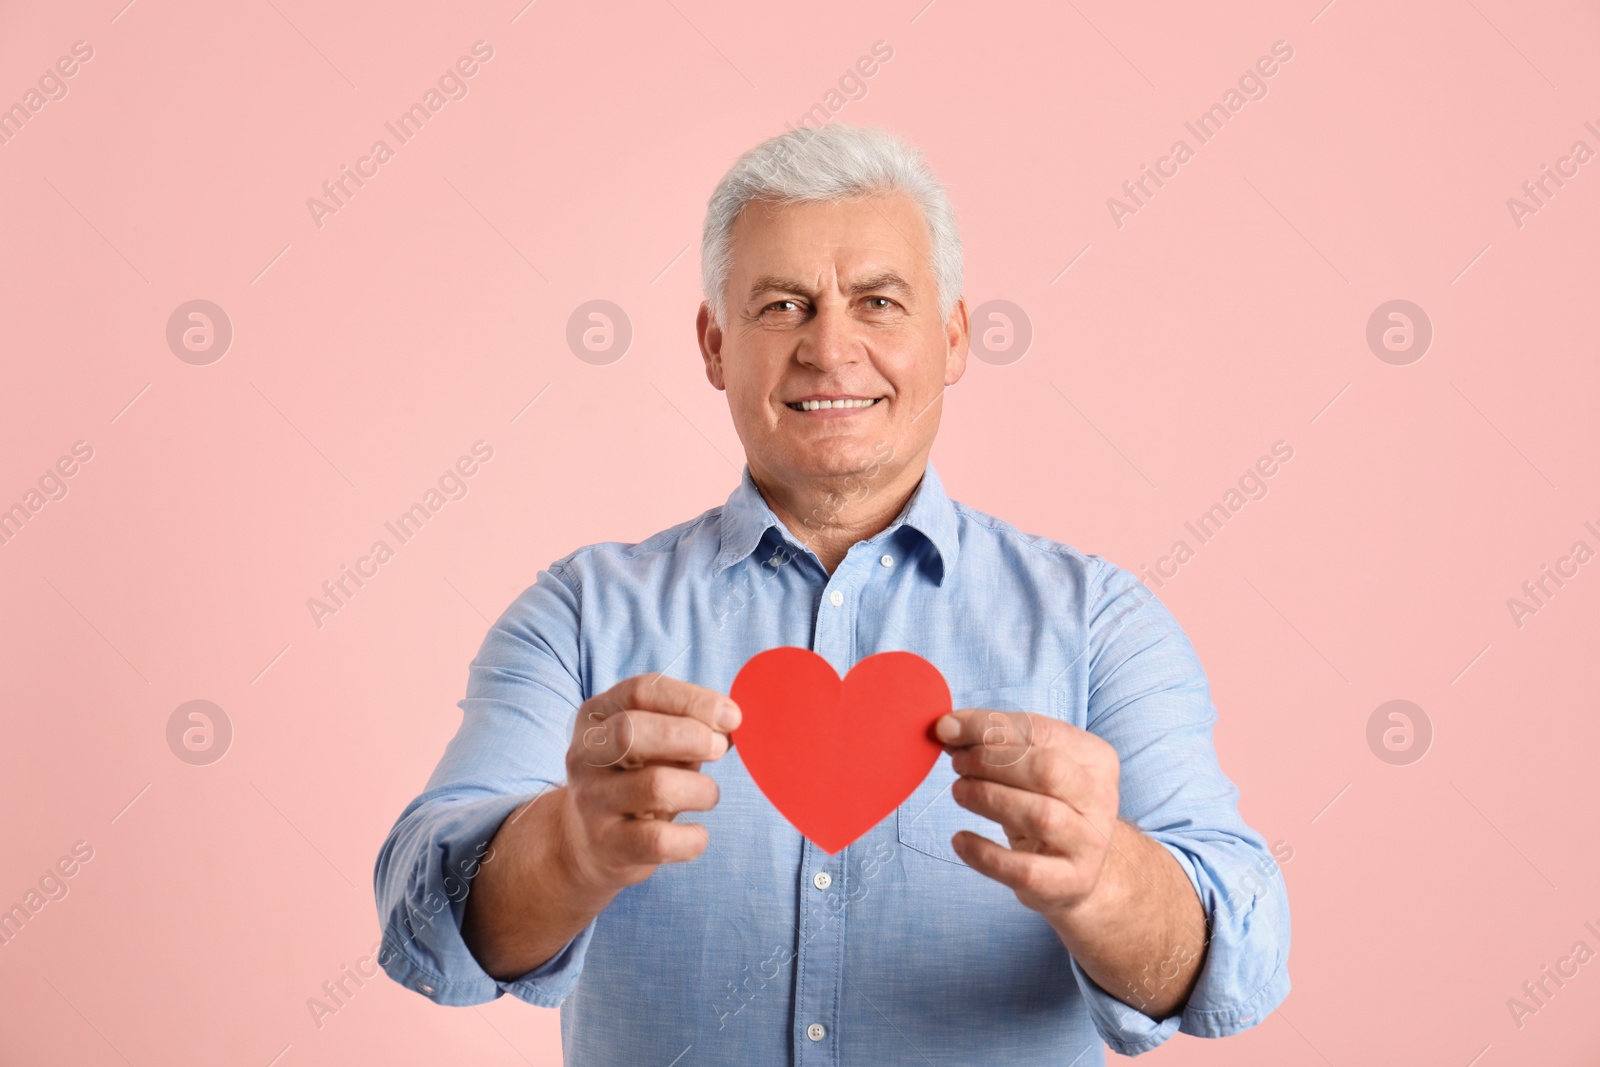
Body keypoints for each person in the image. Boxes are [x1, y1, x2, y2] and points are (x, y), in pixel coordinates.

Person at [374, 123, 1290, 1063]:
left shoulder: (1100, 624)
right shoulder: (578, 615)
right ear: (714, 344)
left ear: (954, 337)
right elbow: (426, 924)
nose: (830, 347)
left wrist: (1109, 882)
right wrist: (567, 847)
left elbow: (1242, 961)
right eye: (782, 306)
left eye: (879, 301)